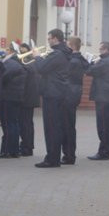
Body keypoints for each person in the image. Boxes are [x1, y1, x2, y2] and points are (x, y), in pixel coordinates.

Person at [30, 29, 71, 168]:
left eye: (49, 38)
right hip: (57, 92)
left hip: (52, 93)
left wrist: (37, 56)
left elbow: (41, 68)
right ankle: (53, 157)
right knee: (55, 127)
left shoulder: (58, 54)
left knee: (51, 128)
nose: (48, 41)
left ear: (55, 38)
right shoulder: (62, 52)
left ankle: (52, 159)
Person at [86, 41, 109, 160]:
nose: (99, 51)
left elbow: (89, 71)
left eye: (100, 49)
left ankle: (103, 152)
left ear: (106, 50)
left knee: (103, 125)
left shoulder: (105, 61)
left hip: (104, 96)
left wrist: (91, 61)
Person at [62, 37, 88, 165]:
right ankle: (69, 154)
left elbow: (64, 75)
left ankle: (69, 155)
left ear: (72, 46)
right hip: (75, 92)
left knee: (67, 126)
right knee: (70, 125)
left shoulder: (72, 61)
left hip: (69, 94)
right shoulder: (80, 59)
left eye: (67, 45)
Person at [0, 42, 25, 158]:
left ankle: (8, 150)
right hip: (14, 96)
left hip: (8, 97)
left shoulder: (11, 63)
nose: (4, 52)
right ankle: (13, 150)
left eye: (6, 49)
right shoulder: (16, 62)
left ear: (10, 51)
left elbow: (2, 77)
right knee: (13, 123)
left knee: (9, 124)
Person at [18, 42, 40, 157]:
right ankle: (27, 146)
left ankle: (27, 147)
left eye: (23, 50)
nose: (21, 52)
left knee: (25, 123)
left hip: (27, 97)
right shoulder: (30, 62)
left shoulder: (30, 63)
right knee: (27, 123)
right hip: (29, 96)